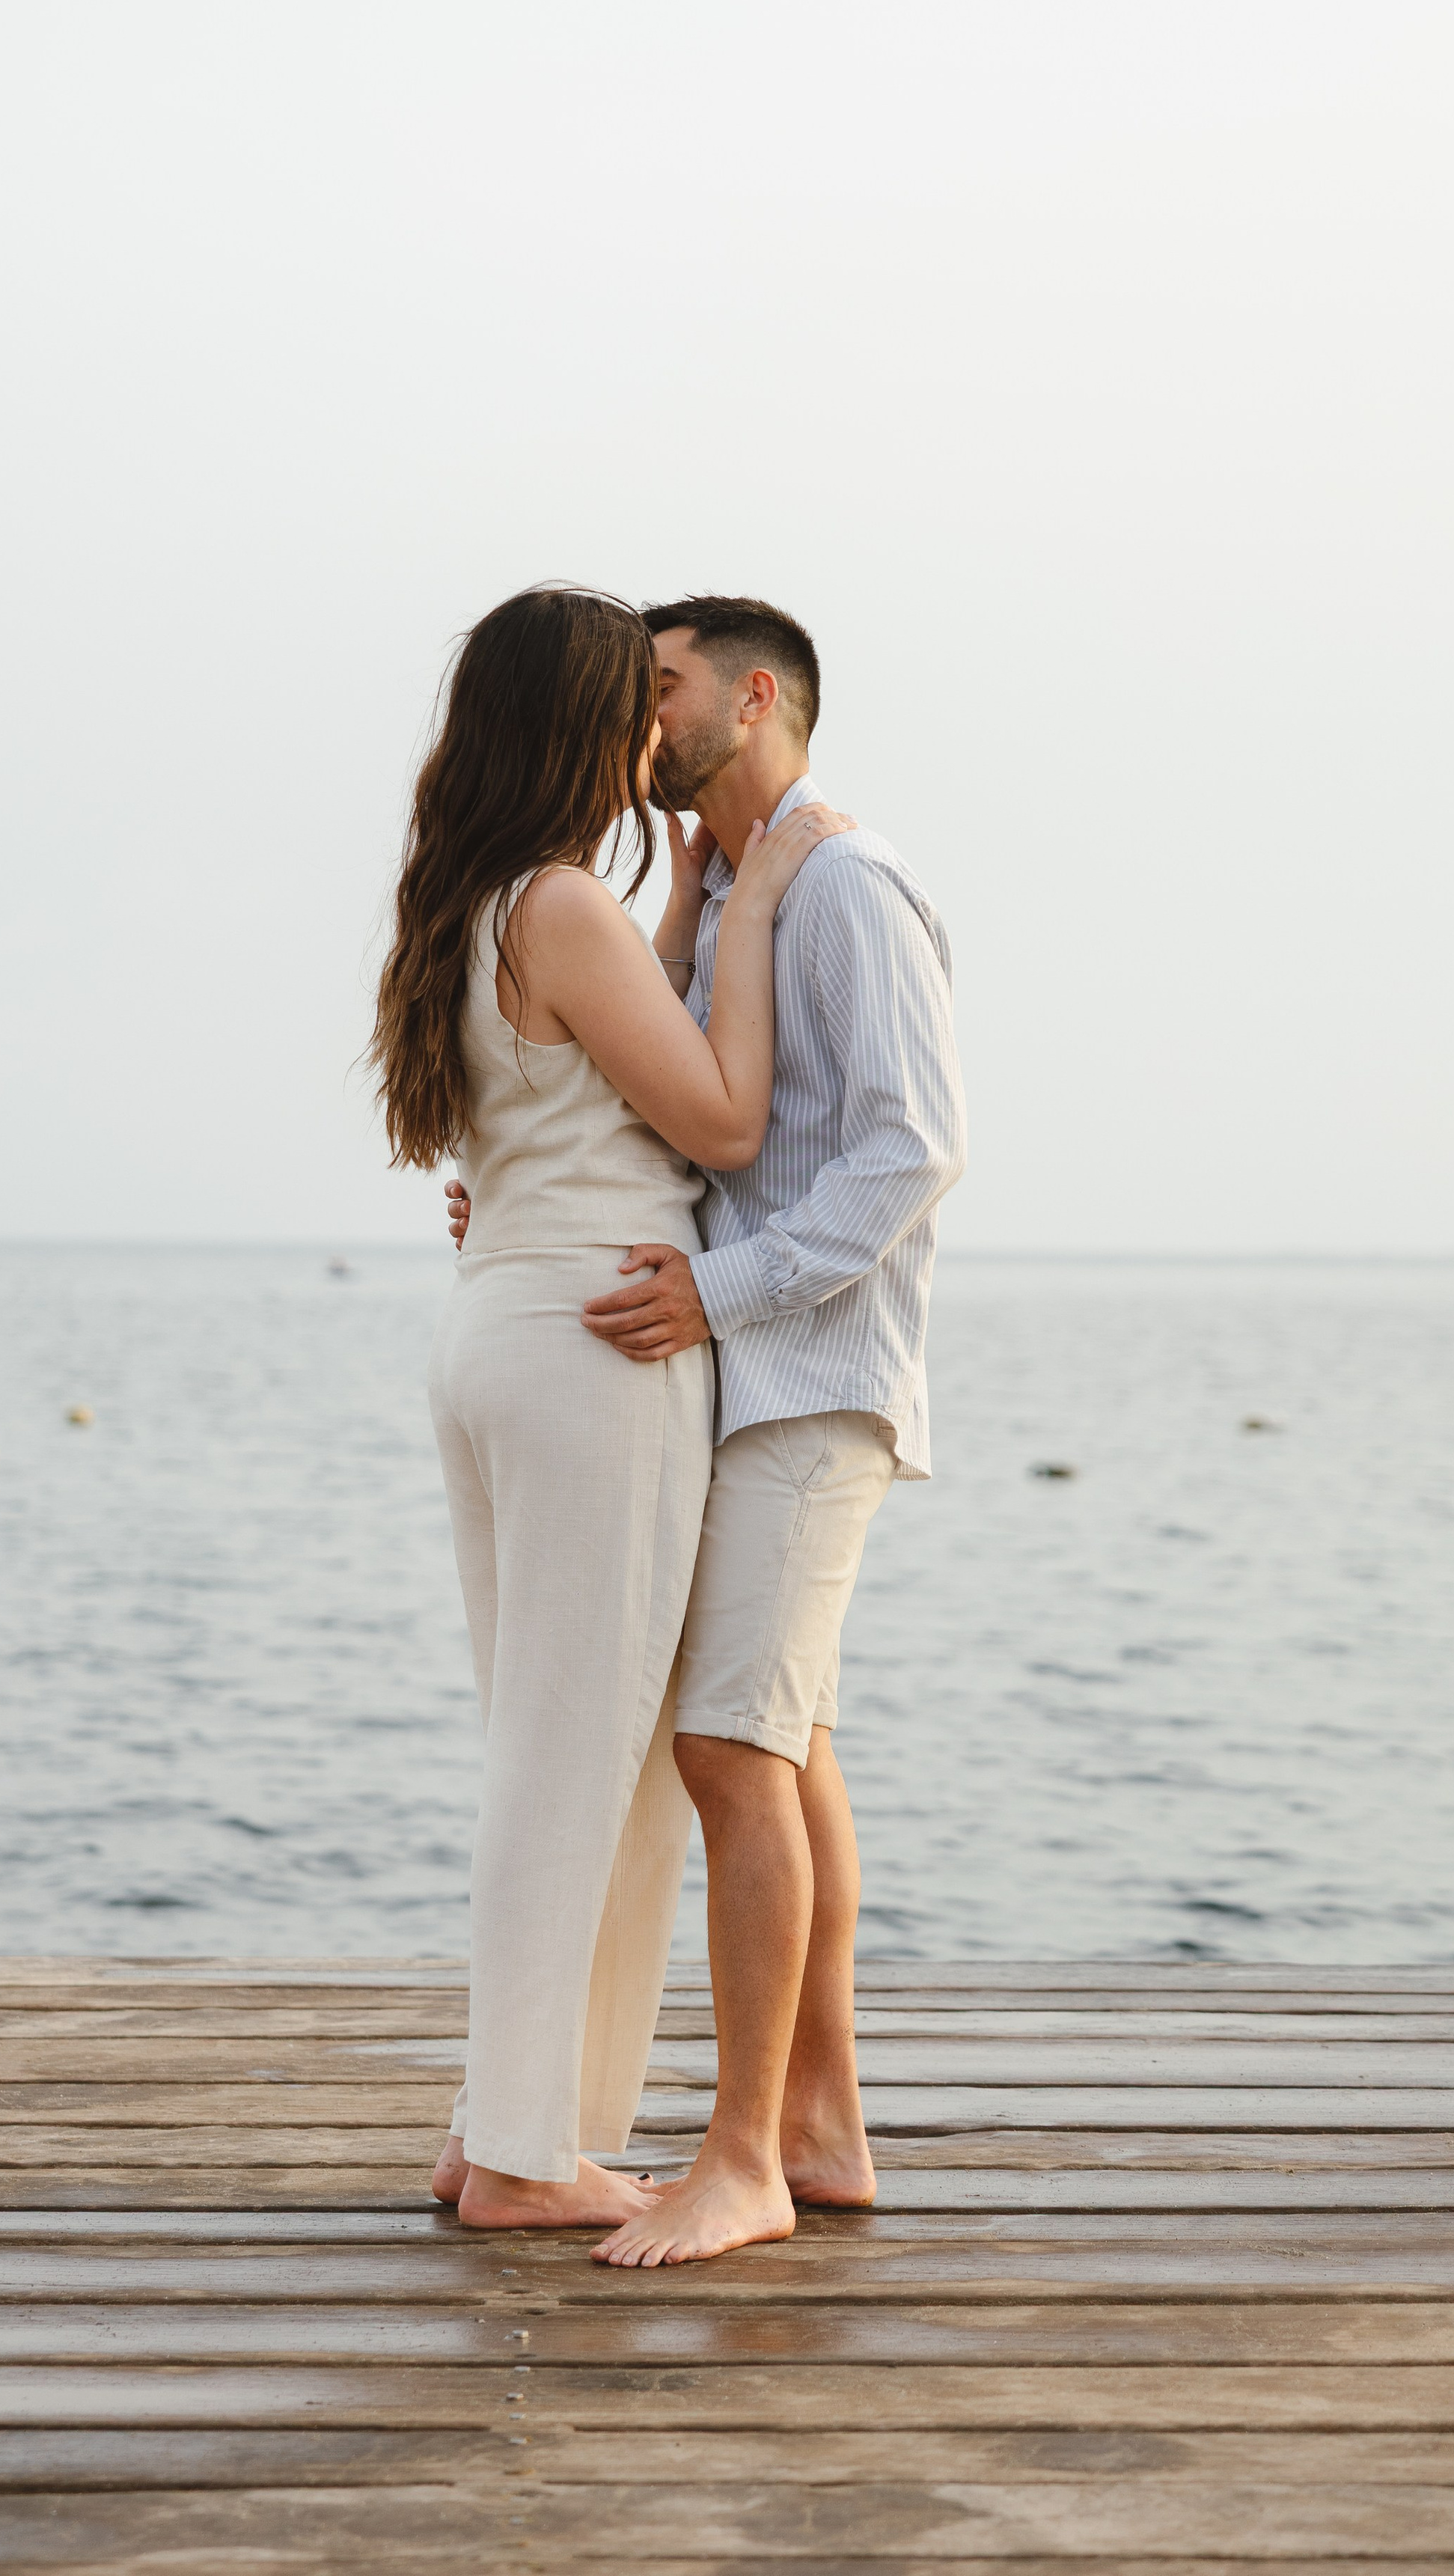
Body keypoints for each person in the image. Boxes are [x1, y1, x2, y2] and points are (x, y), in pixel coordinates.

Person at [450, 592, 966, 2266]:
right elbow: (659, 1110)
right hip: (730, 1365)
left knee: (731, 1748)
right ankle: (815, 2125)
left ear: (750, 702)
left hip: (807, 1373)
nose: (640, 714)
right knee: (779, 1740)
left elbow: (908, 1152)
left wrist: (722, 1289)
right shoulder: (722, 891)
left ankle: (743, 2155)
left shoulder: (840, 887)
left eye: (662, 688)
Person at [372, 585, 852, 2230]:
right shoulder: (562, 904)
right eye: (633, 703)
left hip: (502, 1326)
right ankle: (518, 2157)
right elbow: (720, 1117)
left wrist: (711, 886)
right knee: (576, 1766)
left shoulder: (483, 901)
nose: (658, 728)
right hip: (597, 1350)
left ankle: (505, 2128)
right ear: (582, 724)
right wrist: (767, 904)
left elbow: (593, 1073)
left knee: (555, 1750)